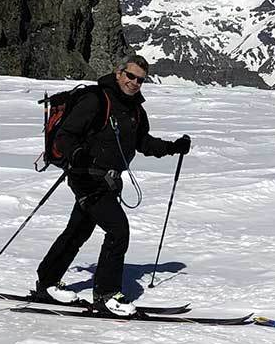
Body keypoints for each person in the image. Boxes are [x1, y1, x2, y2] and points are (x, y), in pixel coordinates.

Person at [33, 53, 191, 315]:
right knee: (118, 230)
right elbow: (65, 136)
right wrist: (77, 154)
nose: (134, 83)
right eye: (130, 76)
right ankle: (107, 295)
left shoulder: (135, 111)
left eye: (140, 79)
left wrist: (173, 147)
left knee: (77, 231)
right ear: (119, 73)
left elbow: (144, 143)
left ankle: (47, 282)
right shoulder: (96, 99)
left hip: (108, 181)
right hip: (86, 177)